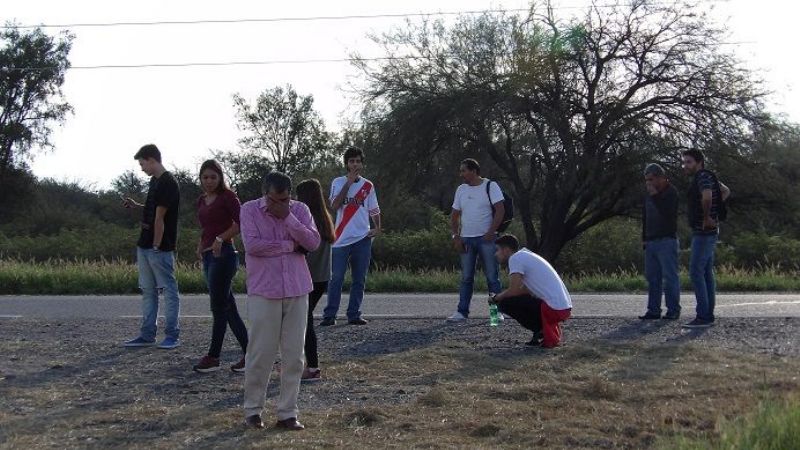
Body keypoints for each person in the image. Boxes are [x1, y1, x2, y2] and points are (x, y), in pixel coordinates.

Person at [240, 171, 320, 431]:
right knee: (261, 353)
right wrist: (289, 246)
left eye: (286, 199)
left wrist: (289, 219)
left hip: (297, 289)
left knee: (295, 356)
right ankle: (253, 410)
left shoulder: (299, 210)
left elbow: (313, 241)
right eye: (277, 200)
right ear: (266, 194)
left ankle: (288, 413)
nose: (282, 204)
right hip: (265, 291)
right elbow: (252, 246)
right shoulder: (249, 210)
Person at [122, 144, 181, 349]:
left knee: (169, 290)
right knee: (148, 290)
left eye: (142, 163)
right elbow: (151, 209)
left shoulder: (168, 182)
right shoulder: (154, 181)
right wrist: (136, 206)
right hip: (145, 244)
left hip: (159, 247)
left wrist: (156, 246)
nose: (142, 168)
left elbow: (160, 217)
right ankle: (147, 334)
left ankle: (172, 334)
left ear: (152, 160)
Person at [192, 160, 249, 373]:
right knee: (227, 307)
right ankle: (251, 353)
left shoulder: (228, 197)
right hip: (208, 256)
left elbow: (241, 223)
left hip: (223, 255)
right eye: (205, 177)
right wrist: (201, 245)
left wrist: (220, 239)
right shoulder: (201, 200)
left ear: (220, 178)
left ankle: (214, 356)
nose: (209, 181)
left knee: (218, 307)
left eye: (213, 177)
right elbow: (205, 227)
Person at [321, 146, 381, 326]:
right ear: (346, 163)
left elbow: (374, 209)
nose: (355, 164)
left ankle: (354, 314)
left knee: (359, 279)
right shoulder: (338, 182)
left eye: (358, 161)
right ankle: (330, 315)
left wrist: (378, 228)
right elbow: (334, 205)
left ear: (362, 163)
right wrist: (349, 182)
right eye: (351, 161)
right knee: (337, 277)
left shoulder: (368, 185)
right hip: (340, 237)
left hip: (362, 237)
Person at [447, 158, 505, 322]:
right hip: (466, 239)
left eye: (464, 170)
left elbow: (500, 210)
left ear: (473, 171)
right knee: (466, 277)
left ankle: (496, 313)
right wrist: (455, 236)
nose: (461, 174)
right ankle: (461, 312)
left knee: (492, 277)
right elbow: (454, 215)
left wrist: (491, 232)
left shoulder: (490, 186)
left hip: (487, 239)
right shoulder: (461, 189)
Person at [491, 235, 572, 348]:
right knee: (513, 300)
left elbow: (514, 290)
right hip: (564, 307)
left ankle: (540, 330)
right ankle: (540, 331)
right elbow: (526, 289)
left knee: (505, 303)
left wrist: (497, 298)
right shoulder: (526, 255)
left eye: (498, 250)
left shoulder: (515, 258)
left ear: (506, 250)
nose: (496, 254)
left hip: (553, 309)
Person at [681, 149, 731, 329]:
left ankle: (703, 316)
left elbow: (708, 195)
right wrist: (716, 211)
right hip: (709, 231)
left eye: (688, 162)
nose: (685, 165)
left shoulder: (702, 176)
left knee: (696, 271)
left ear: (699, 161)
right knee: (706, 272)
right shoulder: (708, 176)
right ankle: (708, 313)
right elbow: (725, 191)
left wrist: (707, 216)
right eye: (684, 162)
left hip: (704, 232)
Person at [296, 179, 335, 382]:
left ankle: (312, 367)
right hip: (322, 279)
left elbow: (304, 250)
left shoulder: (307, 220)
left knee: (304, 322)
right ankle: (305, 364)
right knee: (304, 320)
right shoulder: (325, 218)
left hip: (308, 278)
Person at [639, 163, 681, 320]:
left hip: (666, 240)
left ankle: (673, 309)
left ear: (660, 177)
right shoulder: (648, 195)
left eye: (651, 179)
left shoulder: (671, 192)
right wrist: (644, 237)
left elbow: (667, 213)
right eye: (646, 180)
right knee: (653, 277)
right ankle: (653, 310)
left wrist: (655, 195)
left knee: (670, 277)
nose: (648, 183)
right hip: (651, 240)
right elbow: (646, 217)